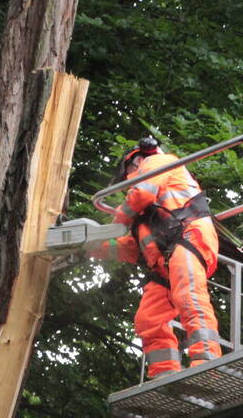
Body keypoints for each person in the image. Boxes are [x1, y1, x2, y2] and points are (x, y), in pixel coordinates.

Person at [91, 137, 221, 378]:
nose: (127, 186)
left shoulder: (158, 163)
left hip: (189, 237)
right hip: (165, 263)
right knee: (147, 319)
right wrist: (86, 245)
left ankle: (207, 360)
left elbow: (143, 193)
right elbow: (129, 248)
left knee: (189, 296)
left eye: (128, 175)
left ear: (136, 162)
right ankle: (164, 372)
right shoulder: (142, 216)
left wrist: (117, 222)